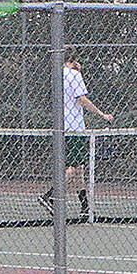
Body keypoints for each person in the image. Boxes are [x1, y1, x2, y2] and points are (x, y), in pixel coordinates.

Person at [38, 48, 113, 219]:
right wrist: (102, 115)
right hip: (73, 128)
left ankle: (85, 207)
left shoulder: (59, 75)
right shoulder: (74, 75)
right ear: (74, 61)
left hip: (63, 126)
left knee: (79, 169)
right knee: (71, 169)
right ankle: (49, 196)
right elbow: (81, 99)